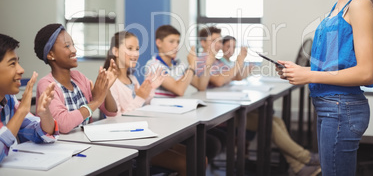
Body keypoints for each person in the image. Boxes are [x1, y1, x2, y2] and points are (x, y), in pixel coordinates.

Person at [277, 0, 373, 176]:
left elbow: (367, 73)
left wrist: (310, 75)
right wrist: (299, 71)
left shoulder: (359, 4)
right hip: (331, 108)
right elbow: (333, 66)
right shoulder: (339, 5)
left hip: (341, 108)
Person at [218, 34, 321, 175]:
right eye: (228, 46)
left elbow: (237, 77)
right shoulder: (217, 63)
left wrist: (244, 67)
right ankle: (306, 157)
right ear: (221, 47)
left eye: (233, 47)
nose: (231, 49)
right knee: (269, 123)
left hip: (234, 107)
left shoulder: (229, 63)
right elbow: (220, 80)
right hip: (225, 115)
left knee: (276, 120)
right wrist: (239, 61)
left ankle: (299, 167)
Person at [103, 30, 190, 175]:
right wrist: (141, 97)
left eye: (137, 49)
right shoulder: (111, 83)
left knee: (196, 155)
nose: (136, 53)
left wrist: (150, 89)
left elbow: (141, 108)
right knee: (186, 163)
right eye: (130, 48)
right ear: (116, 51)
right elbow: (117, 121)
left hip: (146, 138)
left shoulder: (132, 79)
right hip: (131, 146)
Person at [145, 24, 223, 164]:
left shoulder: (178, 64)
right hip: (162, 122)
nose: (176, 46)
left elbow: (201, 85)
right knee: (208, 145)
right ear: (159, 43)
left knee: (212, 144)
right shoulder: (154, 65)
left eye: (177, 42)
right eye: (171, 41)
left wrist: (208, 64)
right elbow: (179, 89)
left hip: (177, 119)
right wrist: (192, 66)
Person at [34, 23, 118, 134]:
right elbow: (63, 124)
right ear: (51, 54)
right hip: (63, 147)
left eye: (73, 45)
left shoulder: (79, 78)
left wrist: (105, 89)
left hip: (85, 143)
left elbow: (111, 112)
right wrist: (95, 102)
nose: (74, 50)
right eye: (67, 46)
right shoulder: (46, 84)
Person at [0, 34, 59, 163]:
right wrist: (22, 111)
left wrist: (45, 113)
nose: (21, 70)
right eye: (12, 63)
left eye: (18, 62)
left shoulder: (9, 99)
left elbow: (41, 134)